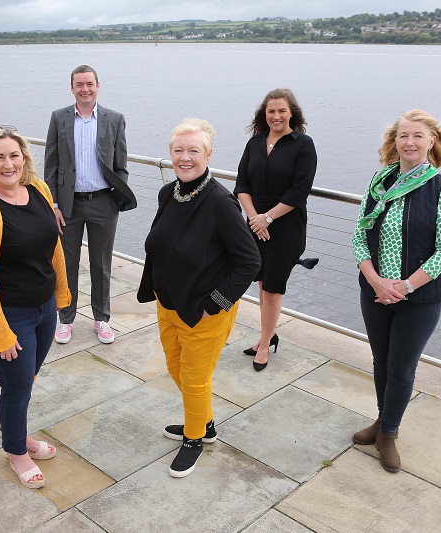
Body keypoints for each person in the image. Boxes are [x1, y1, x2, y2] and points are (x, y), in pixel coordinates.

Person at [138, 119, 260, 478]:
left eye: (194, 151)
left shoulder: (221, 203)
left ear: (208, 154)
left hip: (204, 310)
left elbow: (250, 261)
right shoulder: (168, 193)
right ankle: (203, 422)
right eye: (179, 150)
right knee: (176, 369)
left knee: (194, 378)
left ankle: (195, 438)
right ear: (170, 154)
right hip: (169, 302)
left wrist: (215, 303)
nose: (185, 157)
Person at [0, 127, 72, 489]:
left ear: (24, 158)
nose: (9, 164)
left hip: (42, 309)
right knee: (17, 386)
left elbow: (53, 245)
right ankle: (16, 451)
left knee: (25, 381)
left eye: (14, 155)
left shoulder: (38, 190)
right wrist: (0, 331)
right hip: (7, 314)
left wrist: (62, 292)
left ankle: (19, 436)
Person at [351, 110, 441, 473]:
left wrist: (405, 286)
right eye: (402, 136)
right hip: (375, 293)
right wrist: (376, 281)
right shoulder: (379, 183)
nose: (409, 143)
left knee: (401, 367)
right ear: (394, 143)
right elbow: (359, 236)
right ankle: (383, 422)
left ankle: (389, 435)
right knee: (381, 361)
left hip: (419, 299)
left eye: (417, 136)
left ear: (432, 142)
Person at [44, 64, 136, 346]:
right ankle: (66, 320)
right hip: (68, 207)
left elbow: (121, 164)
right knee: (65, 264)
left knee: (101, 264)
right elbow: (51, 164)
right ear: (71, 88)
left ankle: (102, 319)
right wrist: (54, 204)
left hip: (103, 204)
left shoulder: (114, 119)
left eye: (89, 84)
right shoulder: (59, 118)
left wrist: (116, 198)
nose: (85, 89)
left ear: (98, 86)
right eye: (79, 84)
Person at [234, 88, 318, 372]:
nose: (276, 116)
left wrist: (267, 218)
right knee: (260, 284)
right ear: (264, 114)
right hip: (255, 226)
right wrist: (255, 218)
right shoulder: (254, 144)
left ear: (292, 112)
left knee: (272, 289)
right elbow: (241, 185)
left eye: (282, 110)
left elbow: (298, 192)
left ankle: (265, 343)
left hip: (286, 228)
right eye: (271, 111)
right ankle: (267, 336)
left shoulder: (303, 145)